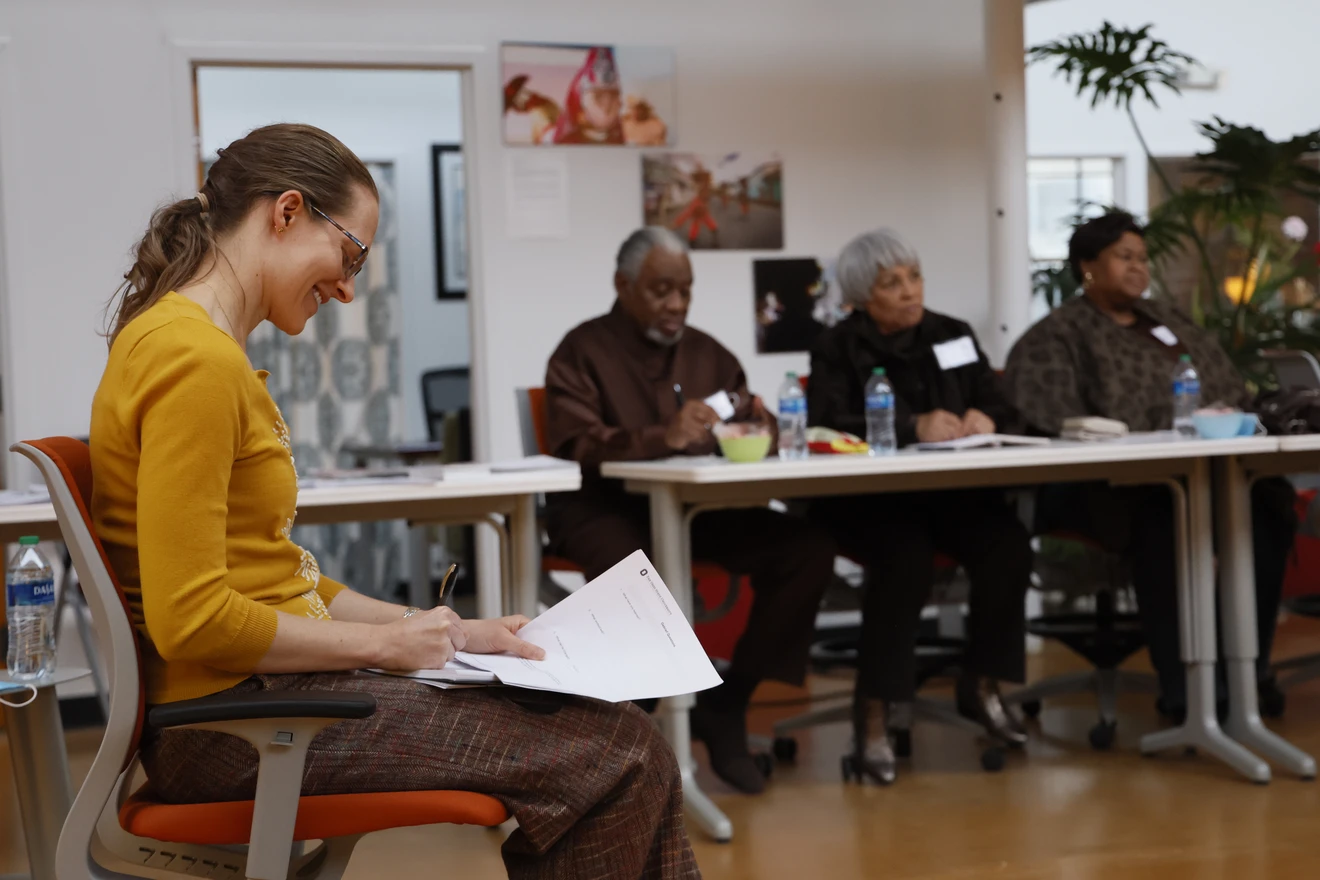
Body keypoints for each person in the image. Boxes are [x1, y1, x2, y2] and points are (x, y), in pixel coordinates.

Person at [88, 124, 698, 880]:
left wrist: (445, 630)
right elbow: (194, 618)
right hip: (241, 728)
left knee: (621, 743)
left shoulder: (192, 346)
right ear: (286, 213)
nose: (347, 288)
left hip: (256, 707)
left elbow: (284, 580)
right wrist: (385, 648)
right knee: (621, 754)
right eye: (349, 255)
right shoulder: (195, 360)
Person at [544, 226, 835, 795]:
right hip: (603, 510)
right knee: (646, 577)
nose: (676, 304)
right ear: (622, 285)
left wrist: (758, 427)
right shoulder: (581, 350)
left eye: (685, 290)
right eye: (660, 290)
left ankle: (727, 704)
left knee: (807, 549)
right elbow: (577, 445)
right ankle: (630, 735)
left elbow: (760, 423)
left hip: (697, 512)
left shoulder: (709, 354)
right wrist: (661, 436)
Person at [1004, 210, 1296, 720]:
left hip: (1200, 472)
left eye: (1142, 258)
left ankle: (1246, 669)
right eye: (1125, 257)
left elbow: (1228, 390)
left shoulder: (1170, 322)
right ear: (1087, 266)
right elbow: (1052, 418)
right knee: (1167, 518)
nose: (1139, 268)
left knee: (1269, 505)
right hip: (1101, 485)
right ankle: (1184, 688)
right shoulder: (1057, 335)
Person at [808, 228, 1032, 785]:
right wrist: (912, 427)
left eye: (914, 276)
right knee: (904, 557)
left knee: (1006, 542)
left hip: (949, 495)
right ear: (862, 297)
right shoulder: (837, 346)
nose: (910, 291)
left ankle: (981, 683)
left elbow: (1002, 404)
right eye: (891, 283)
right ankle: (875, 711)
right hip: (868, 503)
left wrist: (989, 419)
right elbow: (826, 424)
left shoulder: (951, 334)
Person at [551, 47, 625, 145]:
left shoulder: (627, 140)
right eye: (598, 96)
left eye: (614, 94)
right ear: (581, 106)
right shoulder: (565, 145)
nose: (607, 103)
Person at [502, 74, 560, 145]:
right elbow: (551, 136)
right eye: (522, 96)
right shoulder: (540, 115)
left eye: (525, 91)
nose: (532, 94)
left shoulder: (544, 109)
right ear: (519, 109)